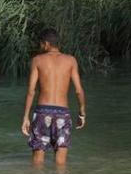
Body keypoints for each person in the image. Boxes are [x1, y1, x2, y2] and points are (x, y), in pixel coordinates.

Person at [20, 28, 86, 166]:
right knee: (61, 163)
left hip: (42, 112)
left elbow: (31, 91)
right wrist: (82, 113)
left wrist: (26, 117)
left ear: (46, 43)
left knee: (38, 161)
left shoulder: (37, 60)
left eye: (40, 44)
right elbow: (79, 91)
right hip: (63, 113)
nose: (40, 47)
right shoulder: (71, 60)